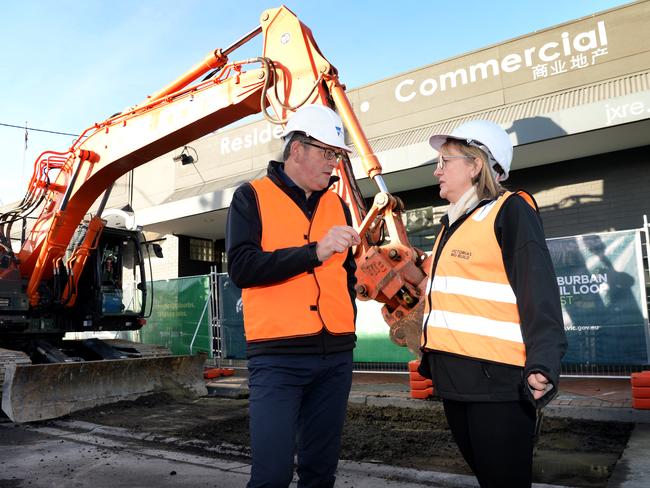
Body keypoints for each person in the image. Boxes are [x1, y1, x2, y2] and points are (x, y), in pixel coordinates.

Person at [418, 120, 567, 488]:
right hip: (456, 382)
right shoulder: (450, 226)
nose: (436, 170)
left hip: (497, 385)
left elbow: (540, 291)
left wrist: (543, 363)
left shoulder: (510, 211)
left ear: (475, 164)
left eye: (444, 160)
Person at [225, 104, 360, 488]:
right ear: (296, 150)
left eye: (336, 155)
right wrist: (314, 251)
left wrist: (348, 321)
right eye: (327, 153)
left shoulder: (337, 205)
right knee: (272, 475)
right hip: (278, 359)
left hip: (334, 356)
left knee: (320, 471)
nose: (334, 163)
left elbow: (346, 273)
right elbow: (243, 267)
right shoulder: (251, 196)